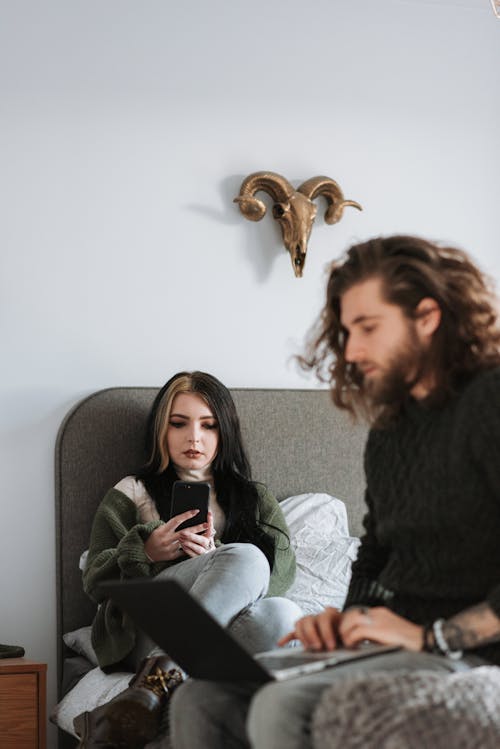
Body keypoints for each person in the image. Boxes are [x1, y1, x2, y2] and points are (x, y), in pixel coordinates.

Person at [170, 235, 500, 749]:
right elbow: (374, 557)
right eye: (346, 331)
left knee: (284, 707)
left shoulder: (489, 402)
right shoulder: (391, 434)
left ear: (428, 317)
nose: (352, 349)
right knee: (202, 697)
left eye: (368, 327)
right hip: (399, 646)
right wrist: (347, 626)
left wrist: (427, 637)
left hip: (470, 651)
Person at [75, 370, 300, 748]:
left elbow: (283, 573)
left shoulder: (254, 498)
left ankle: (149, 696)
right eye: (179, 424)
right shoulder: (132, 491)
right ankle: (156, 675)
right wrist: (144, 552)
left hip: (225, 632)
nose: (194, 437)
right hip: (148, 625)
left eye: (208, 426)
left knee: (282, 615)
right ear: (161, 430)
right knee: (246, 558)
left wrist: (219, 563)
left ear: (224, 432)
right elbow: (95, 580)